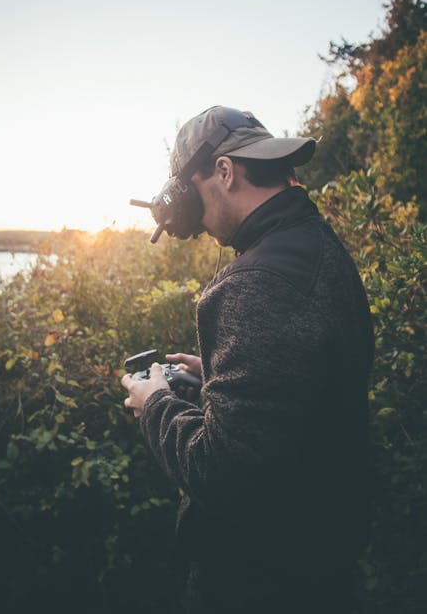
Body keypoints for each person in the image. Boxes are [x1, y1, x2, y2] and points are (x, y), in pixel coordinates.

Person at [121, 105, 374, 613]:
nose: (199, 217)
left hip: (258, 583)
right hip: (322, 565)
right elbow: (299, 396)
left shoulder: (253, 285)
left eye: (192, 192)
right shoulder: (318, 245)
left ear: (224, 171)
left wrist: (155, 404)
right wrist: (218, 373)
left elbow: (226, 474)